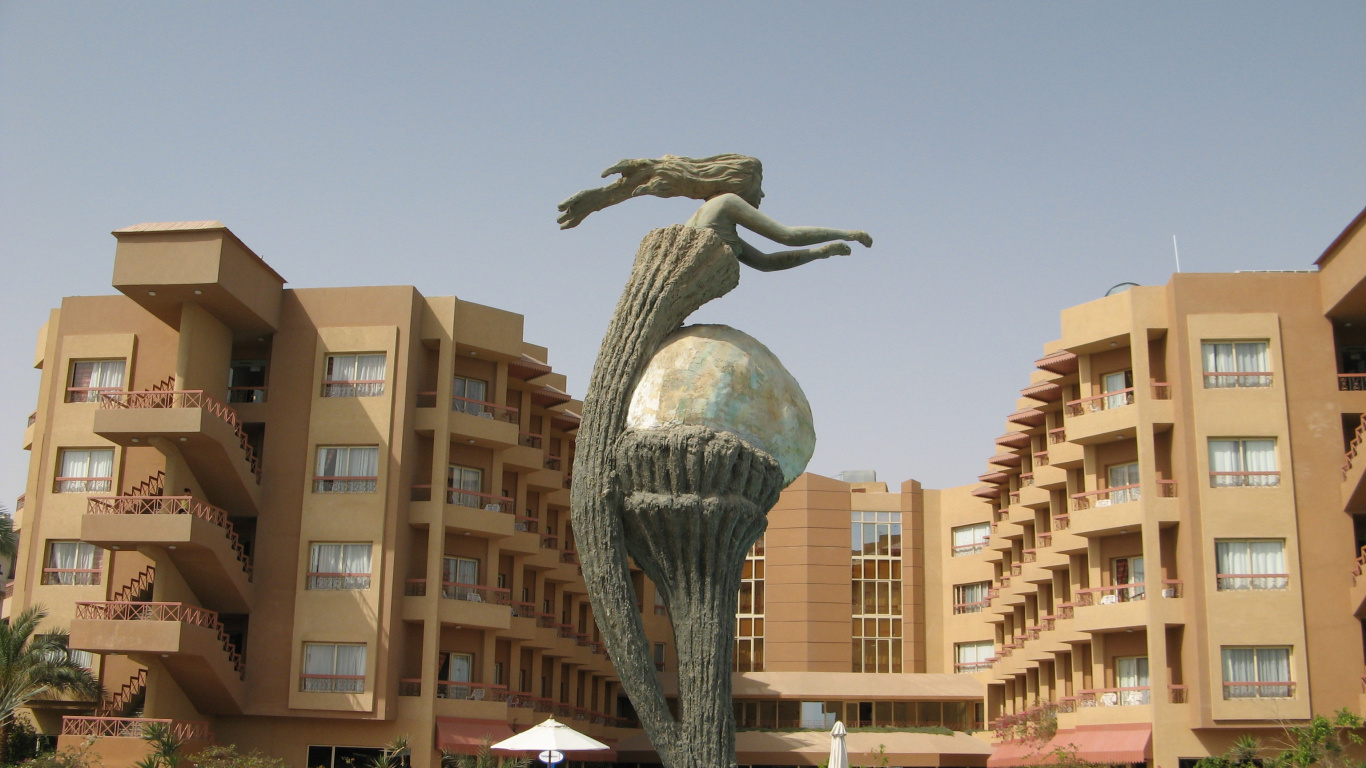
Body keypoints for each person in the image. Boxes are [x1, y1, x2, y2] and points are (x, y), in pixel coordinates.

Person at [557, 154, 872, 271]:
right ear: (741, 182)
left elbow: (765, 263)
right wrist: (848, 233)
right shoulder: (726, 203)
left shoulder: (713, 219)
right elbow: (786, 236)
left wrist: (822, 252)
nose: (762, 194)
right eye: (760, 186)